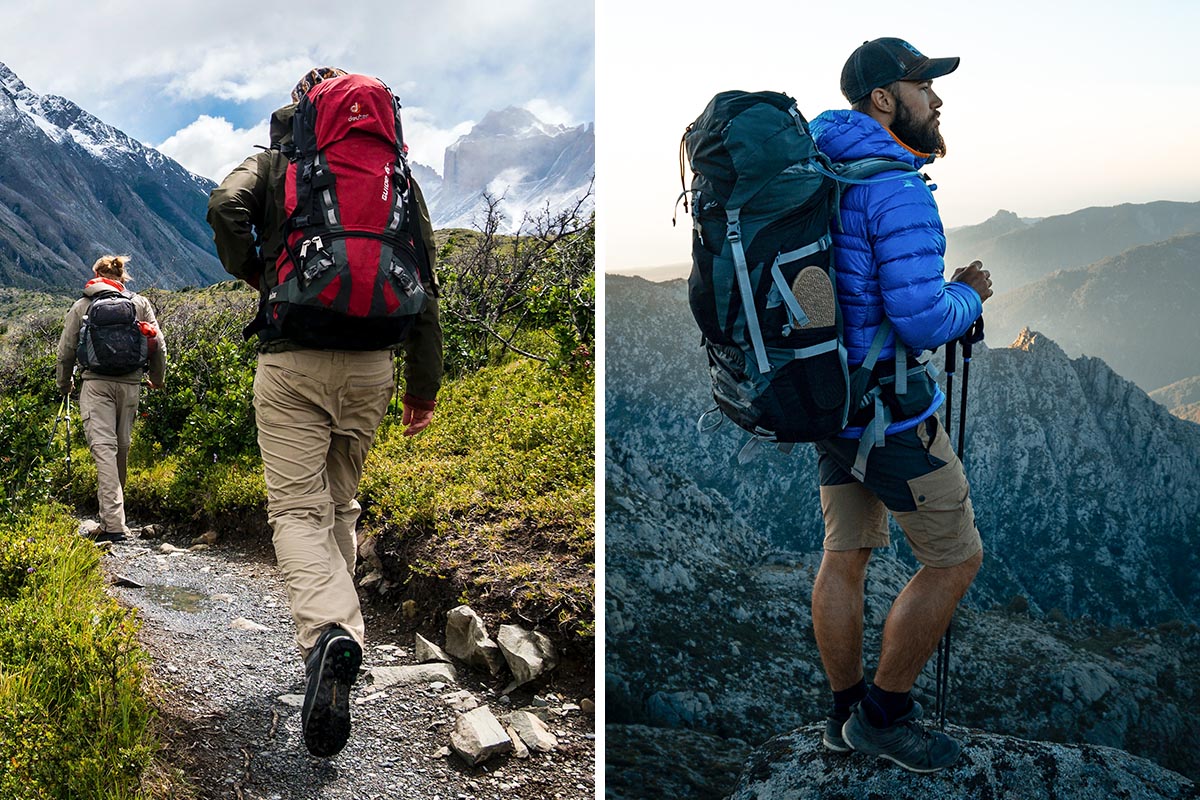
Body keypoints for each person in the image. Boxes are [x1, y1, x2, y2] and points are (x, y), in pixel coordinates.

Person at [206, 66, 443, 758]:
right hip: (373, 365)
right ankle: (339, 641)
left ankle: (328, 637)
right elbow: (425, 276)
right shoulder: (395, 175)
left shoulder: (279, 162)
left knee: (296, 511)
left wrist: (256, 270)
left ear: (304, 108)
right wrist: (421, 389)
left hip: (293, 360)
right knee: (340, 505)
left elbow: (225, 207)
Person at [805, 38, 994, 773]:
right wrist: (970, 292)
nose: (936, 99)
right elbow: (918, 320)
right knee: (955, 558)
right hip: (890, 414)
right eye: (922, 85)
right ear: (884, 100)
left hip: (827, 398)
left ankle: (843, 713)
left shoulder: (823, 166)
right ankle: (884, 718)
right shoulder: (895, 186)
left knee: (844, 554)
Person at [55, 254, 167, 543]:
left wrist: (65, 384)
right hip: (131, 385)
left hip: (96, 385)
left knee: (104, 449)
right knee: (121, 449)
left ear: (95, 275)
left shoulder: (82, 305)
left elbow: (66, 351)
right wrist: (157, 378)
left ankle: (114, 525)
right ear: (122, 276)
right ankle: (115, 518)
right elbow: (159, 344)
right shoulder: (139, 304)